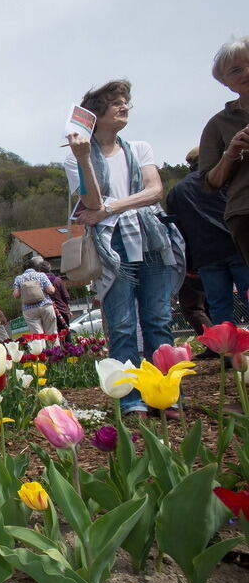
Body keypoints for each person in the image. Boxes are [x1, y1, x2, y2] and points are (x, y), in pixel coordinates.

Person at [65, 79, 184, 418]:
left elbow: (154, 191)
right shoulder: (76, 158)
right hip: (112, 245)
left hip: (152, 239)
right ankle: (131, 399)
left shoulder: (140, 148)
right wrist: (85, 157)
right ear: (95, 114)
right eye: (115, 102)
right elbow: (90, 200)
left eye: (126, 101)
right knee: (120, 324)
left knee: (158, 319)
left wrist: (109, 209)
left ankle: (164, 394)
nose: (124, 107)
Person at [168, 146, 249, 326]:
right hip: (237, 248)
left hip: (205, 258)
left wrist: (188, 265)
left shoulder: (177, 192)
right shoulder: (226, 179)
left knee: (219, 307)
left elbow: (178, 232)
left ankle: (227, 353)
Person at [200, 36, 249, 270]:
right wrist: (231, 152)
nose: (246, 72)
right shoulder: (217, 124)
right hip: (245, 211)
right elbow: (209, 182)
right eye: (236, 70)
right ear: (226, 82)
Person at [13, 258, 58, 335]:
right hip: (45, 306)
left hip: (29, 309)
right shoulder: (41, 275)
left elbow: (16, 295)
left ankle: (41, 346)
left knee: (38, 335)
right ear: (36, 267)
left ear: (24, 269)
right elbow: (51, 290)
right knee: (51, 333)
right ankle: (54, 347)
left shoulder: (18, 278)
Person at [34, 259, 72, 337]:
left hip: (47, 311)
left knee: (51, 335)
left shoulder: (38, 282)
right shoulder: (58, 280)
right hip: (61, 310)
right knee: (65, 334)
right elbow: (66, 296)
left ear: (39, 270)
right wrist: (69, 309)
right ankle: (69, 348)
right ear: (50, 268)